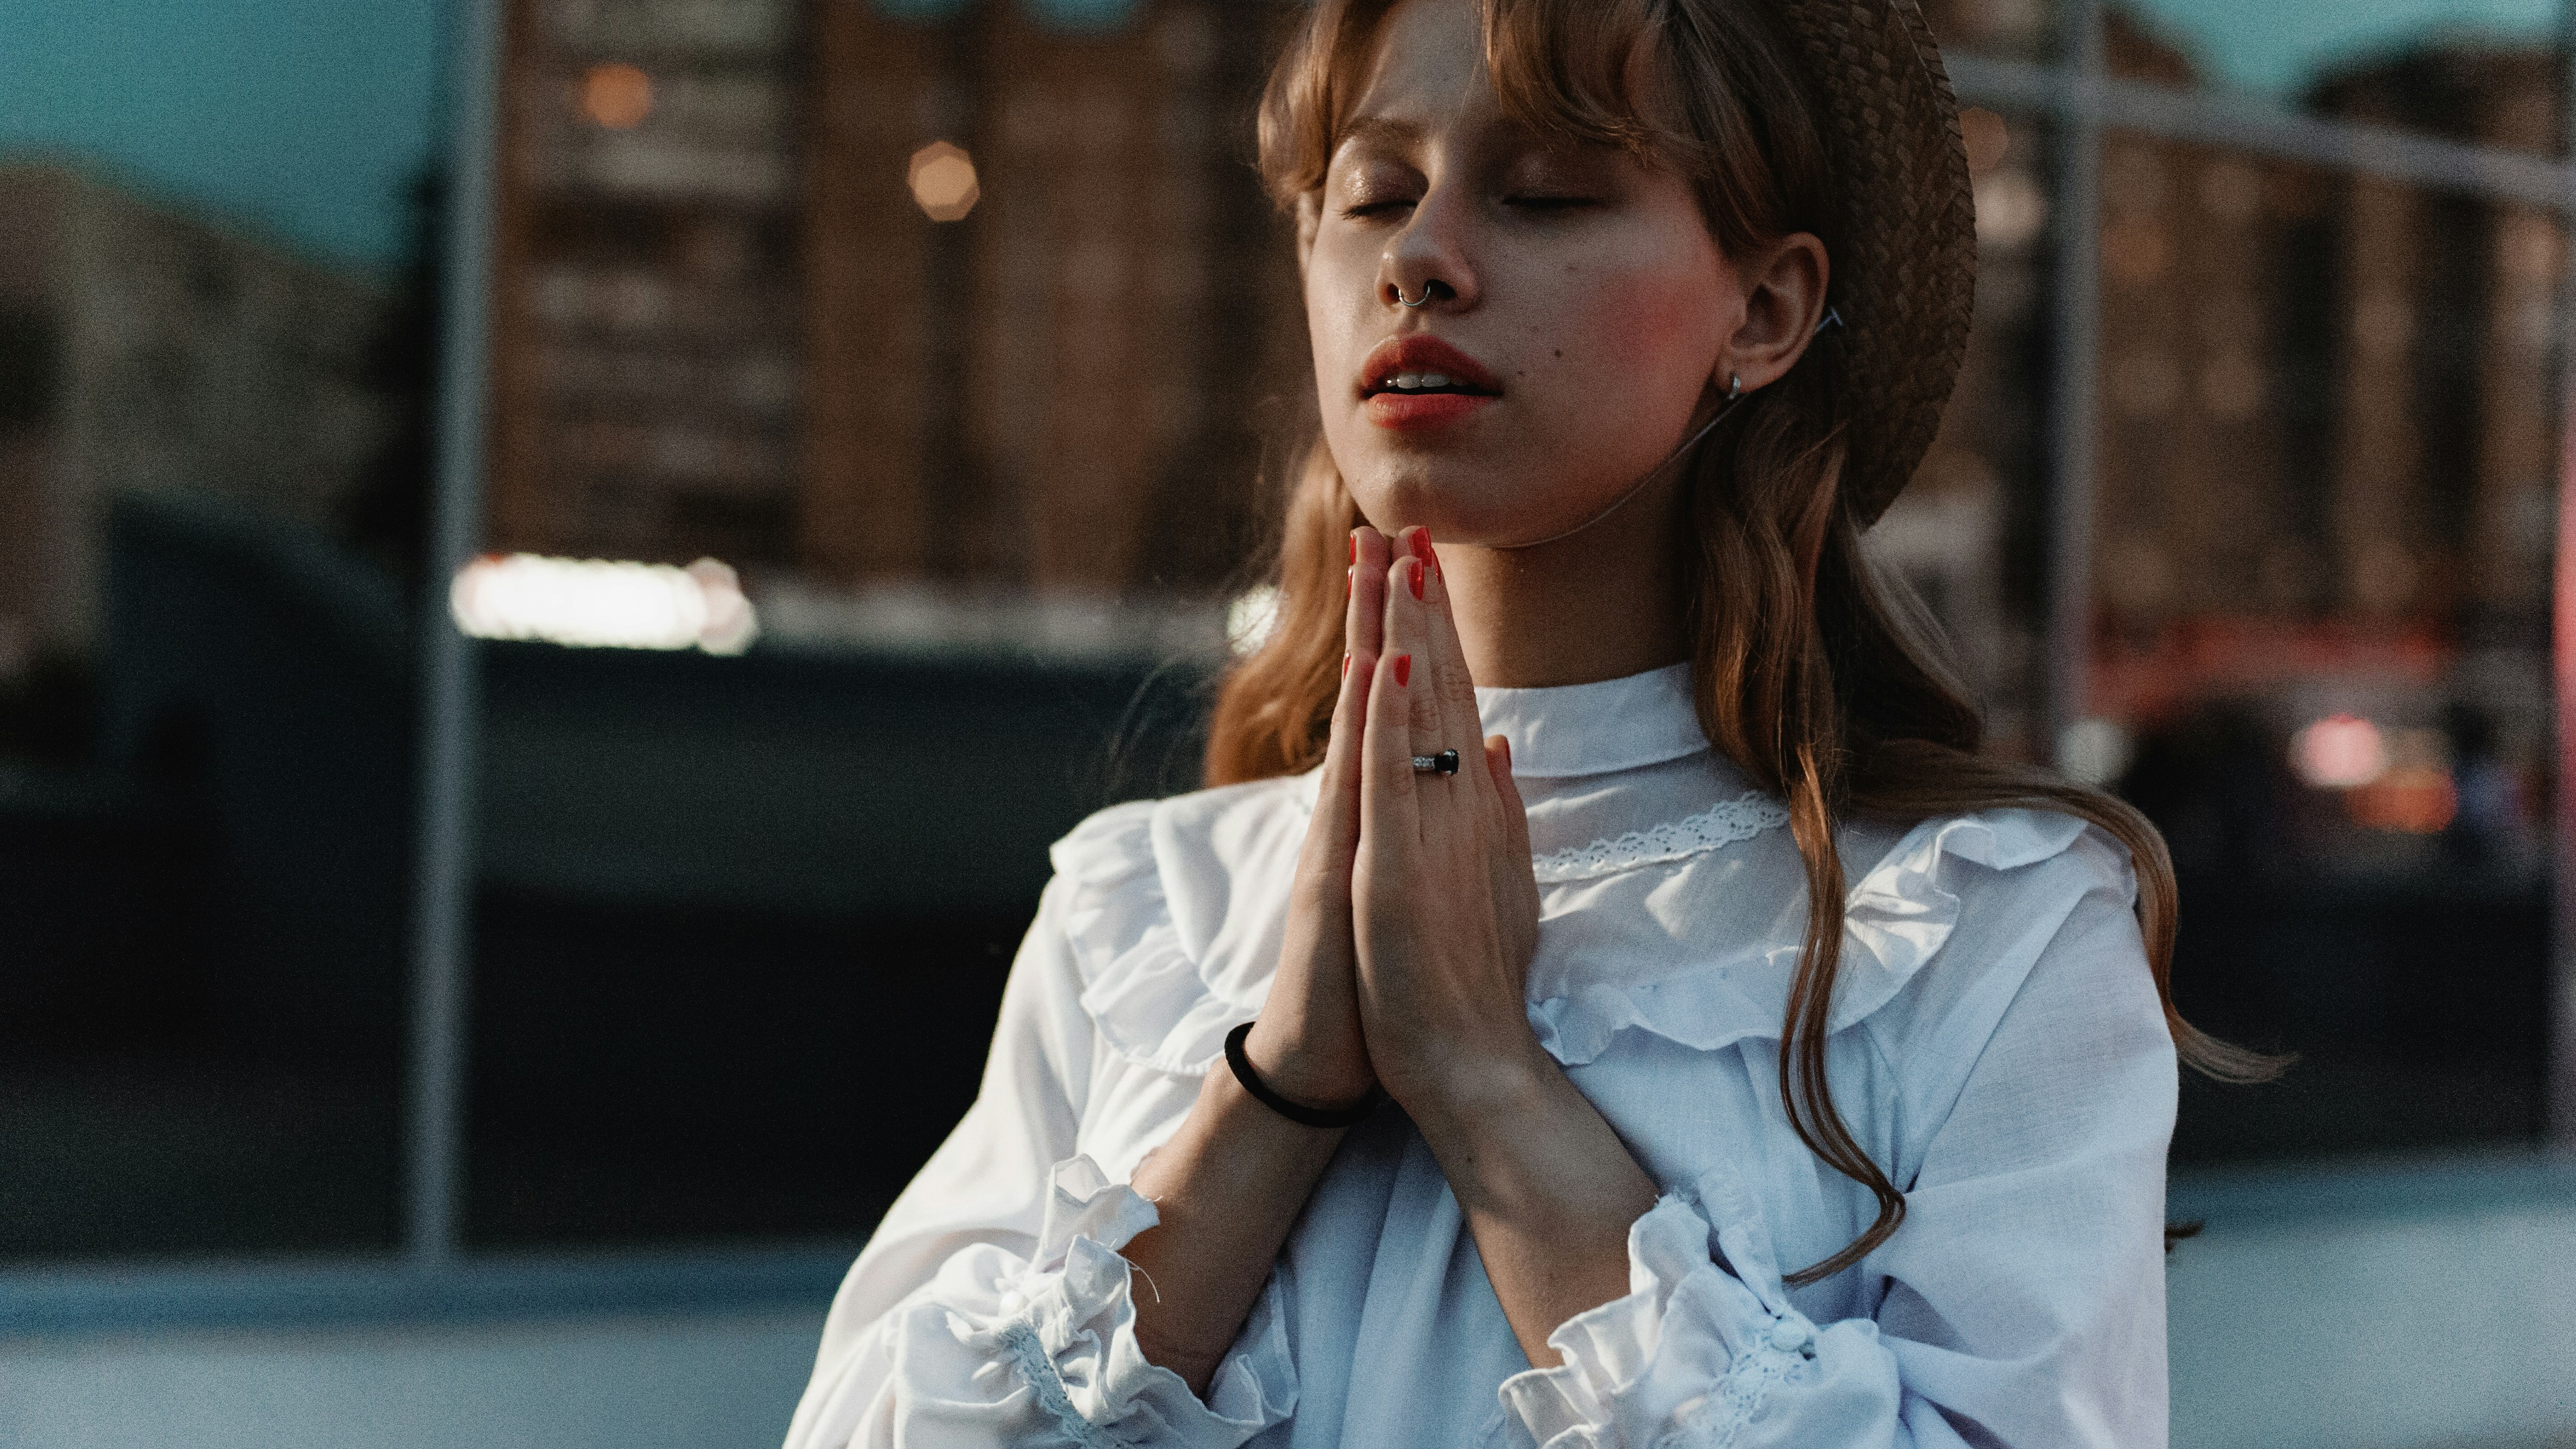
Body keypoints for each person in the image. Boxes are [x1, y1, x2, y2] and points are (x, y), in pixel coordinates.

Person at [784, 1, 2262, 1444]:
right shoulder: (1145, 912)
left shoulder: (1975, 934)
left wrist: (1487, 1081)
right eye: (1369, 196)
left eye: (1546, 194)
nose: (1419, 259)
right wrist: (1280, 1082)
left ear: (1763, 310)